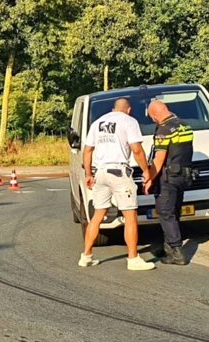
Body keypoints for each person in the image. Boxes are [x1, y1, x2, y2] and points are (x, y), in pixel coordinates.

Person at [80, 97, 156, 271]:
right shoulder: (129, 121)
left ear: (113, 109)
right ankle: (133, 258)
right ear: (128, 110)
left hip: (100, 172)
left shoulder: (97, 123)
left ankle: (86, 255)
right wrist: (146, 170)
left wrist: (88, 173)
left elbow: (87, 150)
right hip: (119, 172)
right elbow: (136, 149)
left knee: (98, 215)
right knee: (130, 216)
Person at [144, 100, 195, 265]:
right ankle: (167, 247)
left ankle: (177, 252)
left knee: (165, 211)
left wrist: (149, 179)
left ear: (155, 115)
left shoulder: (164, 131)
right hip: (184, 175)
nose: (153, 121)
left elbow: (159, 160)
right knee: (173, 211)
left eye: (152, 117)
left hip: (169, 177)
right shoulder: (185, 125)